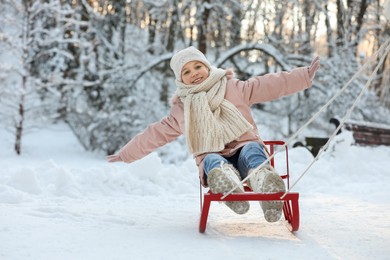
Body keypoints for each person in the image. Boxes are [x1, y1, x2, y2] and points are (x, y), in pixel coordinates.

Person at [107, 46, 320, 222]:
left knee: (252, 150)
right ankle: (227, 184)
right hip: (213, 155)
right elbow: (155, 134)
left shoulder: (234, 87)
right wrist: (126, 154)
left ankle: (265, 181)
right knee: (211, 160)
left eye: (198, 66)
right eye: (187, 72)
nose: (194, 73)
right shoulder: (182, 109)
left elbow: (268, 84)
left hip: (244, 147)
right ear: (180, 80)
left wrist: (302, 76)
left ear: (207, 67)